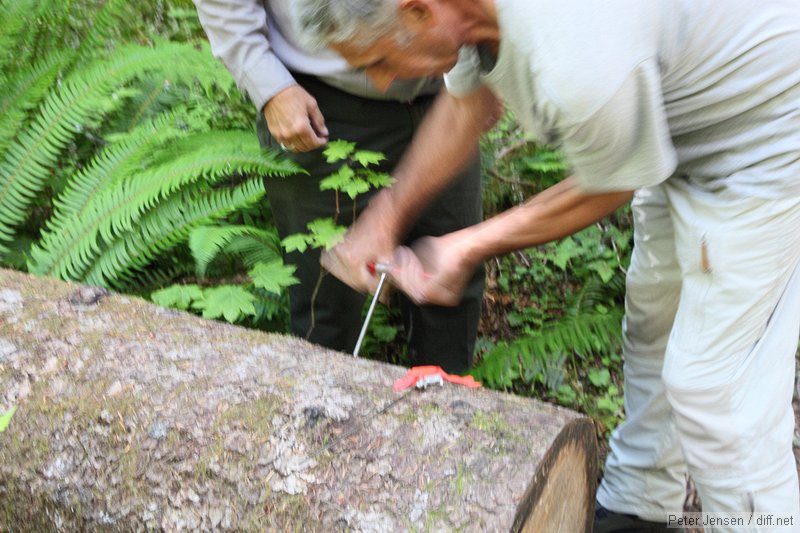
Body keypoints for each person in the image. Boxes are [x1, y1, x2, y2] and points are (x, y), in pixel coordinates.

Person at [293, 0, 800, 531]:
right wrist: (385, 218)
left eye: (377, 59)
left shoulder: (574, 54)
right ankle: (642, 504)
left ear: (418, 11)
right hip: (684, 127)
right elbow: (469, 107)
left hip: (766, 134)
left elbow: (609, 183)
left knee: (715, 390)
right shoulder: (470, 19)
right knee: (655, 322)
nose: (380, 80)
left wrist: (465, 247)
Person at [191, 0, 485, 374]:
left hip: (449, 95)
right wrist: (267, 82)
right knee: (324, 300)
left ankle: (451, 417)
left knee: (450, 275)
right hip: (321, 108)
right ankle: (321, 420)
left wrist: (480, 67)